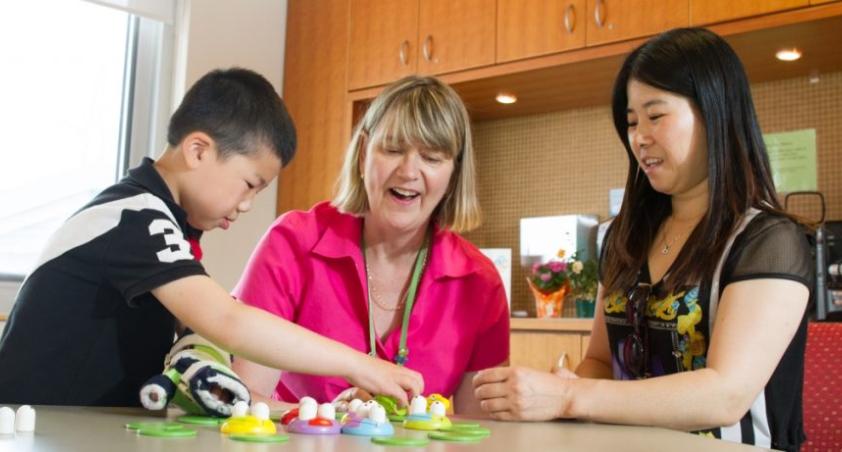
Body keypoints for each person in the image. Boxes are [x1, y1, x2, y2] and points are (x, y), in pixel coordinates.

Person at [472, 28, 812, 451]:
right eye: (632, 122)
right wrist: (567, 391)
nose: (639, 137)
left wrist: (570, 396)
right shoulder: (623, 235)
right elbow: (599, 360)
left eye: (656, 116)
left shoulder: (768, 240)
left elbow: (725, 394)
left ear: (715, 113)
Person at [0, 68, 422, 407]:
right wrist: (361, 366)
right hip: (38, 428)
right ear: (198, 150)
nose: (247, 204)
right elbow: (227, 322)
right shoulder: (136, 217)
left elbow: (208, 348)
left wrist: (307, 410)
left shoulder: (163, 228)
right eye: (249, 184)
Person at [232, 75, 510, 414]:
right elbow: (241, 399)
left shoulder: (480, 282)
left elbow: (479, 430)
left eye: (432, 158)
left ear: (454, 172)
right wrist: (330, 417)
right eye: (392, 149)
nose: (408, 171)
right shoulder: (292, 243)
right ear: (363, 152)